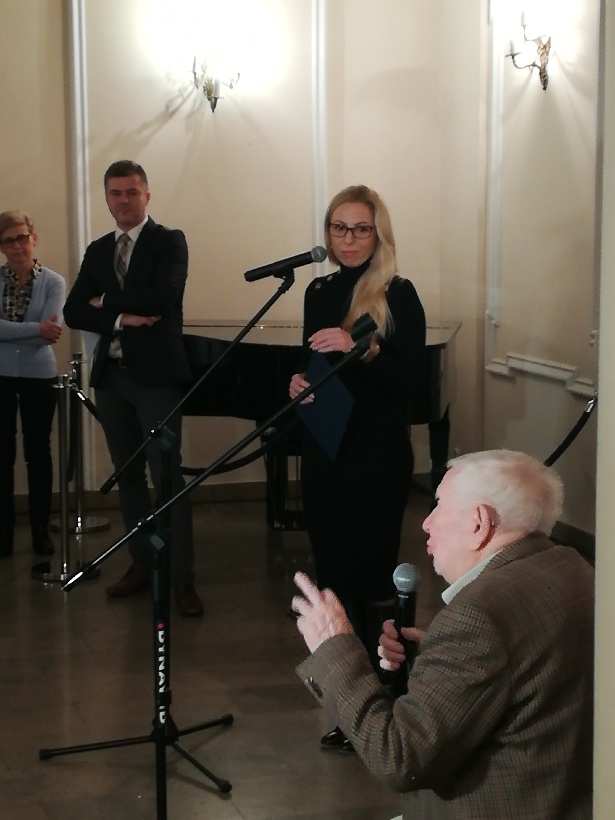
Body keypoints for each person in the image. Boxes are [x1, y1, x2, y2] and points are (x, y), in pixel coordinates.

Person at [292, 449, 594, 819]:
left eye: (438, 505)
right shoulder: (575, 567)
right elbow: (526, 674)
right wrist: (436, 656)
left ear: (478, 523)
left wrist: (333, 646)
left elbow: (399, 757)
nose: (426, 523)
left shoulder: (480, 616)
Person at [288, 184, 426, 750]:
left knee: (372, 575)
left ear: (377, 233)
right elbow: (313, 361)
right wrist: (299, 382)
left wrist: (363, 348)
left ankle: (390, 697)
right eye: (339, 228)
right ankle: (350, 704)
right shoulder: (318, 290)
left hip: (376, 454)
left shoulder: (398, 293)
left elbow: (410, 380)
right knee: (334, 576)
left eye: (360, 228)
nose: (348, 238)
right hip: (328, 449)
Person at [63, 160, 202, 617]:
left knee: (168, 477)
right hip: (113, 378)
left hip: (157, 377)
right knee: (128, 477)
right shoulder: (99, 249)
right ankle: (143, 563)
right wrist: (123, 317)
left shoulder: (169, 241)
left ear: (147, 195)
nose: (123, 200)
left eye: (131, 192)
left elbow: (163, 297)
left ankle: (181, 577)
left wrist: (105, 300)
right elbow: (73, 311)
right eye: (115, 193)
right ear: (106, 198)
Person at [0, 211, 65, 558]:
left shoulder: (53, 282)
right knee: (2, 455)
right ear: (1, 246)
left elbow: (49, 335)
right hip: (1, 376)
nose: (17, 246)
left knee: (38, 453)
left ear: (33, 239)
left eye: (22, 237)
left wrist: (16, 332)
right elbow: (40, 330)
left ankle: (41, 531)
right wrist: (35, 328)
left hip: (39, 376)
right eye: (8, 240)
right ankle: (4, 532)